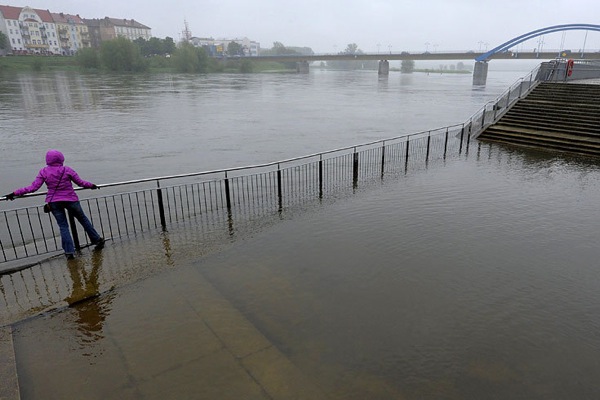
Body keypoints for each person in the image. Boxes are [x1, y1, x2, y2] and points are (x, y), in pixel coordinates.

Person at [4, 149, 105, 259]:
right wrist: (92, 186)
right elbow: (81, 183)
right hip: (71, 200)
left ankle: (69, 252)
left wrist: (14, 193)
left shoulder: (44, 172)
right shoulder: (67, 170)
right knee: (83, 220)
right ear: (61, 158)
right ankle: (97, 240)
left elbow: (33, 188)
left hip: (54, 202)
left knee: (63, 226)